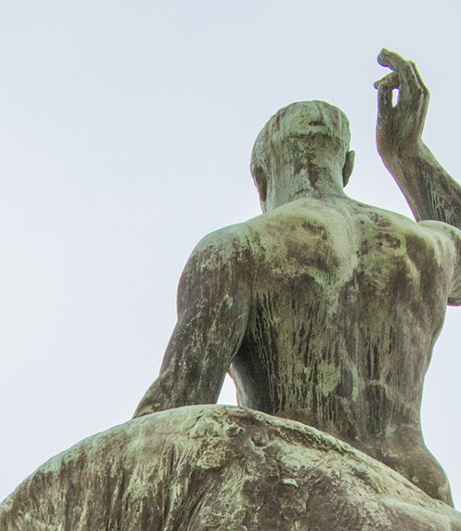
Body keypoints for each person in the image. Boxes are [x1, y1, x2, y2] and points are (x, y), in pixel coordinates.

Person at [135, 51, 461, 502]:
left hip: (290, 490)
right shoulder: (430, 245)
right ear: (346, 166)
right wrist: (407, 155)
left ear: (260, 179)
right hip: (420, 490)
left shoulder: (235, 248)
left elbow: (178, 407)